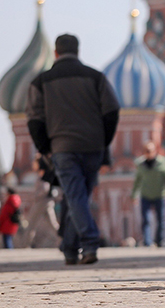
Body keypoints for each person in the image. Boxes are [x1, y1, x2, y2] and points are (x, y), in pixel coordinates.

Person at [26, 33, 121, 265]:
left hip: (63, 147)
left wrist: (45, 148)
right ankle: (69, 248)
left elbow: (34, 119)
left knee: (75, 196)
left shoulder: (41, 82)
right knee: (78, 197)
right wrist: (103, 140)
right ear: (78, 51)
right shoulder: (96, 77)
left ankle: (88, 243)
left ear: (56, 53)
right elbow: (112, 111)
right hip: (92, 147)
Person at [131, 141, 165, 247]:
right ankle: (147, 241)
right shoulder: (140, 164)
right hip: (145, 195)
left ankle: (160, 240)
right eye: (146, 151)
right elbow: (137, 180)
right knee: (145, 219)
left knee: (161, 219)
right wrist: (133, 195)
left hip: (159, 194)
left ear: (154, 151)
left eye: (150, 151)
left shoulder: (162, 162)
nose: (148, 153)